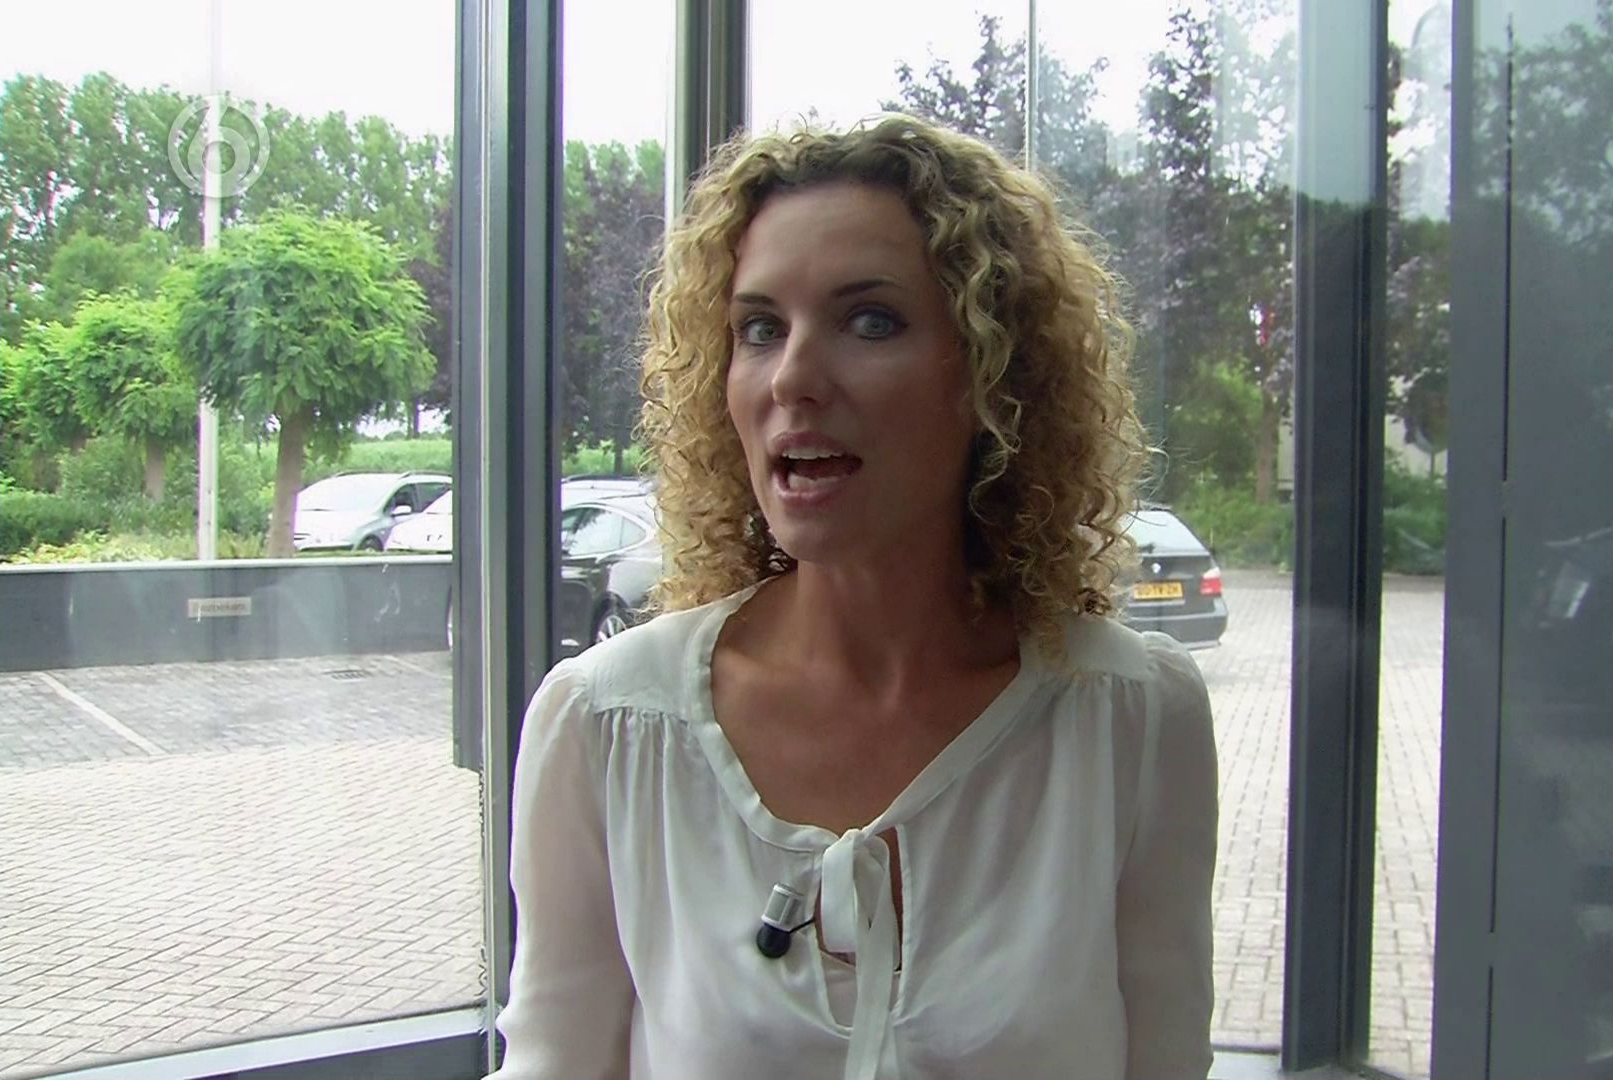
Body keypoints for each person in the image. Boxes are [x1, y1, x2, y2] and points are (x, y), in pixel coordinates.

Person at [490, 115, 1218, 1080]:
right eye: (759, 329)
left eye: (870, 321)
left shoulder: (1133, 720)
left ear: (991, 376)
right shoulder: (608, 723)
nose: (793, 376)